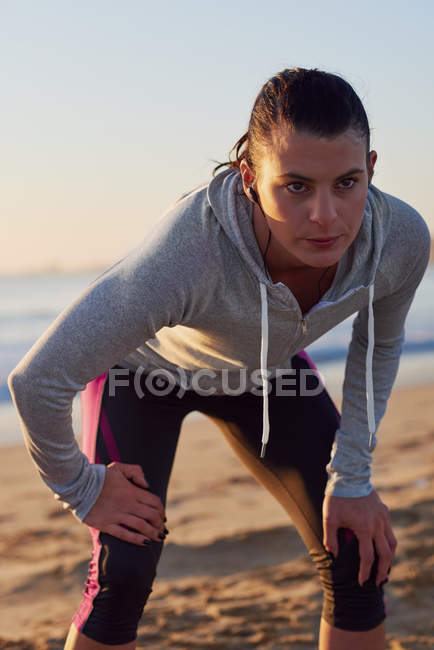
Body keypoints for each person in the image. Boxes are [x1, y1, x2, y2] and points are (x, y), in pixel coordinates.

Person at [7, 67, 430, 650]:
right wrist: (81, 488)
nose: (326, 217)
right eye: (297, 187)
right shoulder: (192, 250)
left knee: (356, 550)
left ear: (372, 170)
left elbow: (379, 342)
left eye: (347, 183)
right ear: (251, 178)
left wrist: (353, 478)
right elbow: (38, 381)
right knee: (124, 570)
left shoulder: (400, 239)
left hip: (265, 373)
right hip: (143, 377)